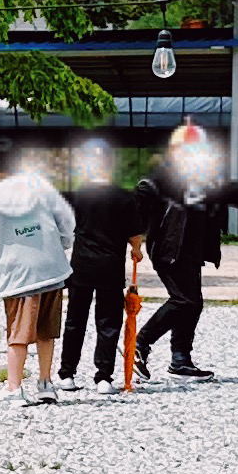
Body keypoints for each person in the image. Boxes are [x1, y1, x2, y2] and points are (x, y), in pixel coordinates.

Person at [135, 123, 238, 380]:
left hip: (191, 250)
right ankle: (139, 344)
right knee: (184, 301)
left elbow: (237, 191)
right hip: (169, 249)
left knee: (193, 303)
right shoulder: (161, 180)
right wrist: (128, 239)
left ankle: (180, 360)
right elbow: (136, 205)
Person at [0, 141, 77, 407]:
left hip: (17, 276)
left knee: (18, 333)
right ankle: (45, 383)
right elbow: (67, 225)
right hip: (51, 270)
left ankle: (14, 388)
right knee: (45, 331)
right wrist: (57, 246)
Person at [58, 140, 148, 393]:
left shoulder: (77, 194)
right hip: (110, 265)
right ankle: (104, 377)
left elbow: (66, 225)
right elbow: (135, 233)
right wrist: (137, 250)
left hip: (81, 264)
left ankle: (67, 373)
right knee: (108, 321)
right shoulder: (123, 195)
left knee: (75, 320)